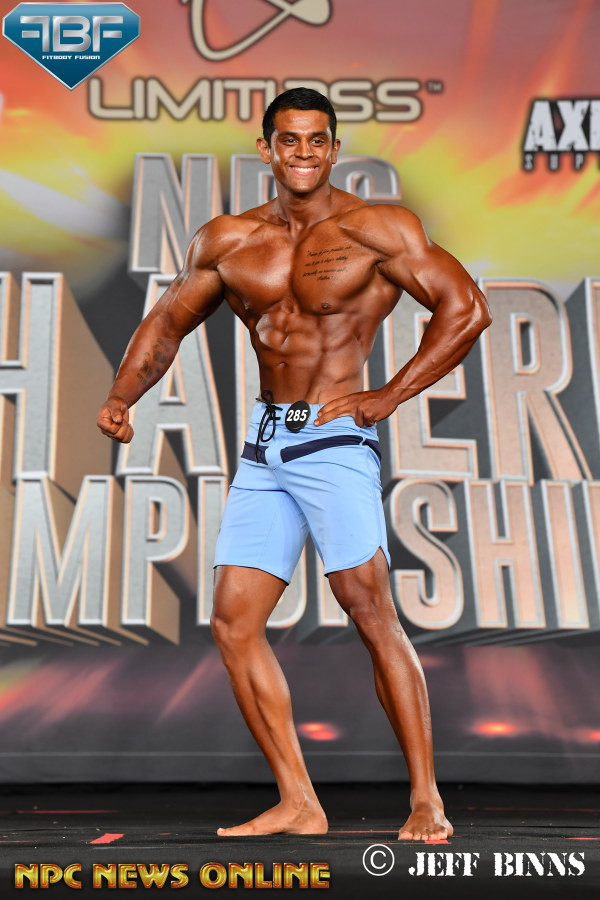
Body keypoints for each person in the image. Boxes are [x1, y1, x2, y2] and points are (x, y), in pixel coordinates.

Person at [97, 88, 491, 840]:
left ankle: (426, 800)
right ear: (267, 149)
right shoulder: (229, 240)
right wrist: (122, 395)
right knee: (233, 622)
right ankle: (300, 801)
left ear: (334, 149)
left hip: (334, 440)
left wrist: (389, 395)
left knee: (367, 609)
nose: (303, 152)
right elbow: (167, 322)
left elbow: (466, 308)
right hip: (265, 445)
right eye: (289, 140)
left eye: (316, 140)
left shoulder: (378, 229)